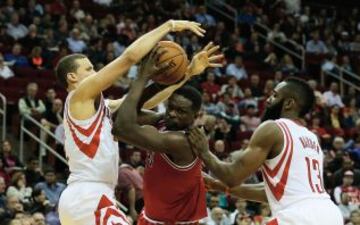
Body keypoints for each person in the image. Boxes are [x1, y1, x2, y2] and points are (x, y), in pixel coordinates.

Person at [56, 19, 205, 225]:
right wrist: (169, 26)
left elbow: (141, 101)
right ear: (72, 77)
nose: (95, 73)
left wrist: (186, 74)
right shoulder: (78, 96)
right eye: (89, 69)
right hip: (89, 196)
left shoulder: (99, 107)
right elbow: (128, 58)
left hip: (88, 197)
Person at [188, 77, 343, 225]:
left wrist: (205, 152)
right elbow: (272, 192)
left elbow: (232, 177)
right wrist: (217, 185)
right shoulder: (312, 138)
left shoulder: (273, 128)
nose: (268, 100)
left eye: (274, 96)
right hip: (330, 214)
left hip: (298, 216)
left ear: (288, 103)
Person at [112, 42, 223, 224]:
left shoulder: (182, 141)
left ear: (196, 116)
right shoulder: (165, 121)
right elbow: (119, 117)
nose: (172, 113)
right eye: (171, 107)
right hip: (150, 216)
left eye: (181, 111)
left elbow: (121, 128)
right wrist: (162, 83)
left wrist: (142, 77)